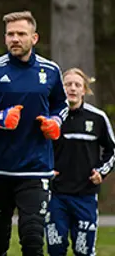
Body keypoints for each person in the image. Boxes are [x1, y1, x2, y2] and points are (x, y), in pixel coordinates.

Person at [0, 11, 68, 255]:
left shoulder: (50, 70)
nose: (15, 39)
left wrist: (55, 122)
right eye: (10, 34)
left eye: (21, 34)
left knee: (32, 239)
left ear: (35, 38)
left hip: (36, 168)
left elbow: (62, 105)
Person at [45, 68, 114, 256]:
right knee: (55, 249)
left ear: (84, 90)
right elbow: (33, 149)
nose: (72, 88)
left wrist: (102, 172)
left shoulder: (98, 118)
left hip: (85, 196)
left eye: (77, 85)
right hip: (55, 195)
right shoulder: (50, 117)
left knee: (83, 250)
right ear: (61, 89)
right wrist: (45, 170)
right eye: (68, 84)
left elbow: (112, 151)